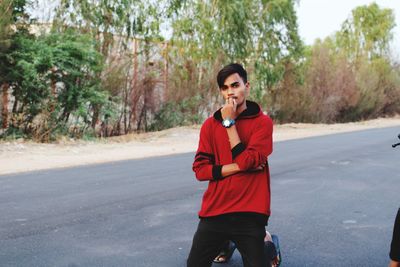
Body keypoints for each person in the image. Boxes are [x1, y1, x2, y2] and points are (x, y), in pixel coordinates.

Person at [187, 63, 273, 267]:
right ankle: (226, 243)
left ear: (247, 86)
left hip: (250, 212)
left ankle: (269, 244)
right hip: (216, 211)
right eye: (225, 88)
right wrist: (239, 167)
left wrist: (229, 124)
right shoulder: (209, 125)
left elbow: (246, 160)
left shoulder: (263, 123)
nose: (230, 92)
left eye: (235, 85)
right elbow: (200, 170)